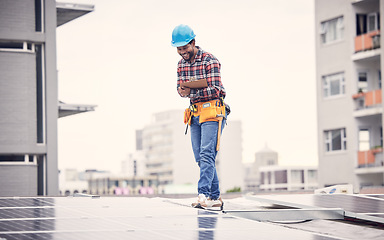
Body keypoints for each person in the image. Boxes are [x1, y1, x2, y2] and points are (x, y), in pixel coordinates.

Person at [171, 24, 228, 210]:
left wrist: (192, 88)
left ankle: (203, 195)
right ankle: (215, 197)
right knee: (201, 157)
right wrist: (182, 91)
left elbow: (217, 89)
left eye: (185, 48)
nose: (182, 52)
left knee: (207, 154)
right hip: (195, 114)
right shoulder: (180, 65)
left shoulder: (209, 60)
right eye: (179, 49)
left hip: (213, 111)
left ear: (193, 43)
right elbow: (181, 89)